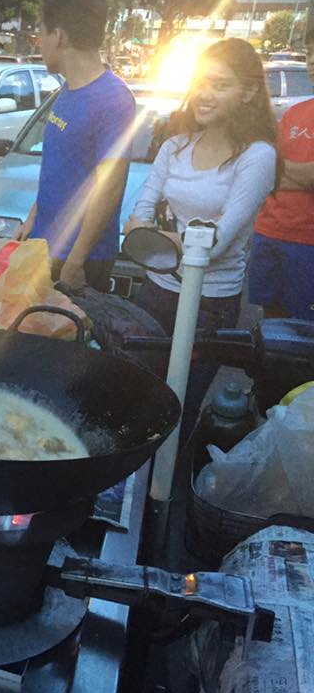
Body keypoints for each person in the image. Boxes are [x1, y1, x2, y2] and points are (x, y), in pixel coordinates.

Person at [124, 38, 277, 444]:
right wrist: (176, 238)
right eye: (200, 82)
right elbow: (135, 220)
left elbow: (217, 245)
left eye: (220, 85)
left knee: (176, 412)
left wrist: (156, 238)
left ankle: (163, 499)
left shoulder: (256, 156)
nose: (204, 94)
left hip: (211, 304)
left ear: (247, 92)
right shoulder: (175, 145)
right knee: (133, 400)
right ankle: (127, 497)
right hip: (158, 293)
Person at [14, 0, 135, 291]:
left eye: (41, 34)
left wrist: (76, 261)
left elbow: (109, 186)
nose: (39, 43)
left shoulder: (112, 98)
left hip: (78, 259)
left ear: (60, 36)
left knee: (66, 338)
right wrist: (32, 218)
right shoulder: (67, 89)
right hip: (45, 245)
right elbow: (60, 167)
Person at [248, 27, 314, 321]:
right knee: (270, 325)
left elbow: (274, 171)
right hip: (268, 233)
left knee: (303, 332)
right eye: (311, 54)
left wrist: (279, 173)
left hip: (308, 242)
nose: (313, 61)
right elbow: (265, 171)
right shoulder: (294, 113)